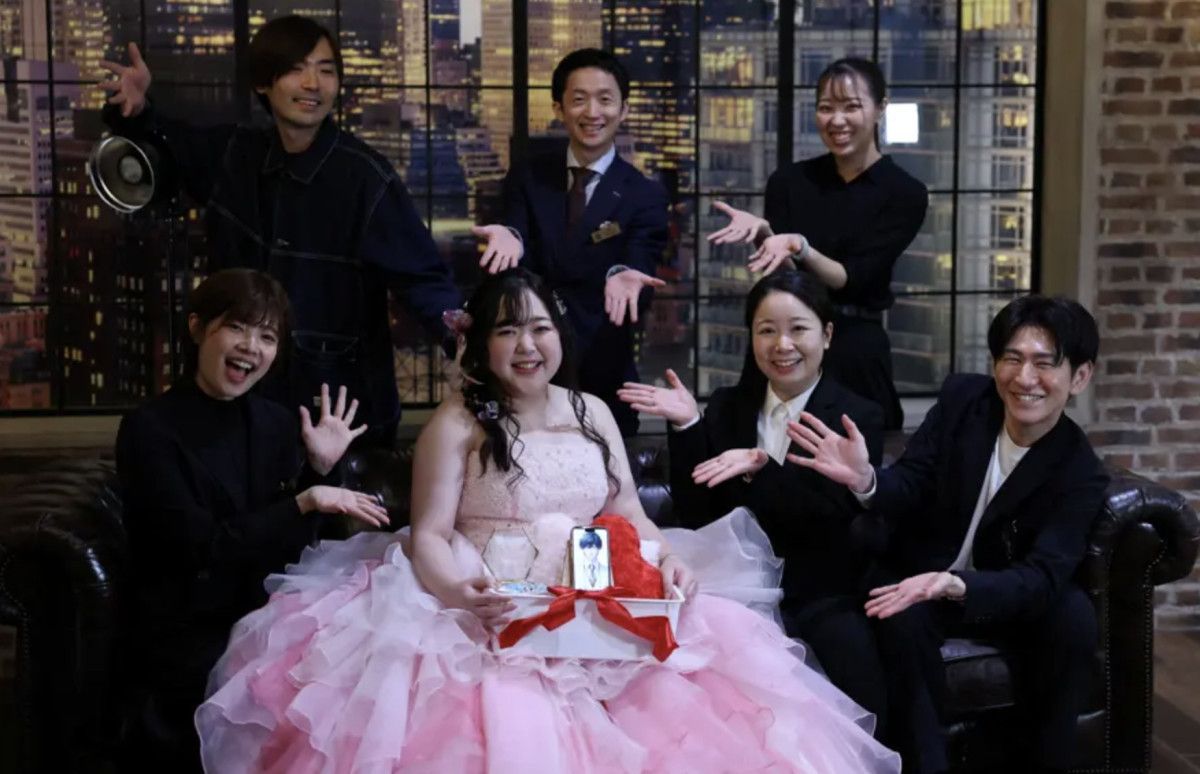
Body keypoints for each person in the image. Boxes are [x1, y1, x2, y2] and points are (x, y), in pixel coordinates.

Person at [193, 268, 900, 773]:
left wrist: (666, 558)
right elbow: (429, 533)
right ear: (483, 344)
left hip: (595, 599)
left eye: (540, 328)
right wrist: (458, 594)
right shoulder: (457, 422)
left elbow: (625, 509)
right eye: (508, 331)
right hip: (490, 607)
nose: (527, 345)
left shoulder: (592, 411)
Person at [99, 15, 518, 446]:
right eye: (296, 69)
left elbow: (423, 281)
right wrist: (137, 110)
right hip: (240, 404)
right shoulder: (235, 155)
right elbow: (170, 146)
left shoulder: (366, 179)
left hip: (339, 413)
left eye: (326, 70)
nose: (313, 83)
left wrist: (473, 345)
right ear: (263, 83)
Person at [787, 295, 1109, 773]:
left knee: (1074, 617)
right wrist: (867, 480)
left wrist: (956, 585)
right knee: (900, 611)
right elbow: (911, 480)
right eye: (1013, 359)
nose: (1024, 379)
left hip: (999, 591)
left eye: (1044, 364)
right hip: (922, 577)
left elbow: (1042, 576)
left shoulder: (1080, 471)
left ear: (1079, 376)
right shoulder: (965, 402)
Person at [114, 269, 389, 771]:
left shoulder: (276, 423)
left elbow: (295, 552)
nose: (251, 347)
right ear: (197, 328)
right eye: (237, 327)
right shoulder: (148, 429)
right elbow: (199, 549)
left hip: (268, 614)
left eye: (267, 336)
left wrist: (319, 469)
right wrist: (305, 499)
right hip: (192, 624)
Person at [617, 269, 890, 731]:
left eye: (798, 329)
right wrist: (688, 426)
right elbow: (699, 514)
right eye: (767, 331)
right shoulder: (728, 407)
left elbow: (830, 515)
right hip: (734, 589)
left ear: (826, 334)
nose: (782, 345)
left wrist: (764, 469)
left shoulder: (856, 417)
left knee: (853, 664)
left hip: (818, 591)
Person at [708, 57, 928, 430]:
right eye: (826, 108)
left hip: (854, 345)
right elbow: (790, 281)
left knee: (860, 451)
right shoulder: (789, 182)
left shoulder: (904, 193)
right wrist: (765, 235)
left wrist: (801, 246)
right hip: (788, 337)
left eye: (851, 107)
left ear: (880, 108)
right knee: (759, 444)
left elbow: (851, 278)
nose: (837, 120)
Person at [502, 48, 669, 436]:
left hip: (602, 378)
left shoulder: (643, 194)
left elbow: (641, 262)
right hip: (525, 372)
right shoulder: (528, 177)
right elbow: (514, 256)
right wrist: (508, 237)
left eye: (605, 99)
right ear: (559, 108)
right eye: (579, 99)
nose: (593, 112)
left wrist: (622, 272)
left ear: (623, 110)